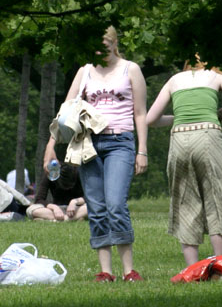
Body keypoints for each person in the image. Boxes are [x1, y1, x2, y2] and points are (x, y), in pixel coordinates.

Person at [44, 26, 147, 282]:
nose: (101, 49)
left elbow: (140, 113)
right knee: (97, 206)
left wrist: (142, 150)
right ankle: (105, 271)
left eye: (105, 43)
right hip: (88, 143)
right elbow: (66, 111)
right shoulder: (85, 71)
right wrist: (50, 145)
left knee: (115, 203)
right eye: (96, 45)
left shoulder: (130, 69)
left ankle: (129, 271)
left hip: (120, 142)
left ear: (114, 43)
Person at [145, 54, 222, 266]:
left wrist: (179, 118)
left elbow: (151, 119)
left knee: (185, 201)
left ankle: (193, 268)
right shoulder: (215, 77)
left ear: (186, 64)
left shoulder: (174, 80)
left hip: (179, 139)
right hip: (208, 136)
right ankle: (221, 265)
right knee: (216, 199)